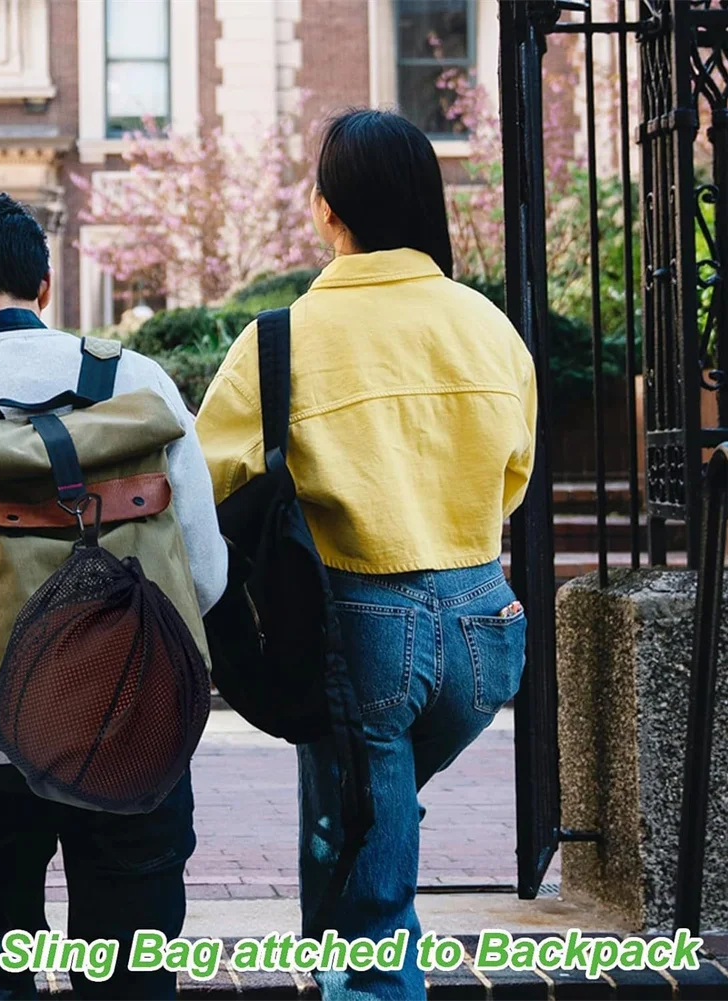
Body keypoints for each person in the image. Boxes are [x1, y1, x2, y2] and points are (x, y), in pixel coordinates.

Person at [195, 109, 537, 1000]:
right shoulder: (488, 327)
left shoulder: (279, 340)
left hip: (359, 626)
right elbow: (514, 474)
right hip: (486, 623)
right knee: (366, 806)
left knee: (374, 898)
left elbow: (202, 486)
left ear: (324, 210)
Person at [0, 192, 227, 1001]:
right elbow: (203, 578)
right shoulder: (141, 382)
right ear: (47, 284)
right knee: (134, 967)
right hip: (139, 722)